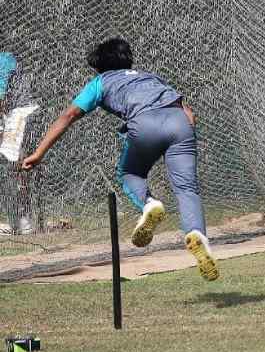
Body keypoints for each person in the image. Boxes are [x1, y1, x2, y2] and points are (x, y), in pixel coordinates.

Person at [20, 38, 218, 281]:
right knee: (187, 188)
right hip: (180, 122)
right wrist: (183, 141)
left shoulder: (100, 82)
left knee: (130, 174)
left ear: (99, 65)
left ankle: (149, 204)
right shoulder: (150, 77)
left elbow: (69, 115)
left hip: (144, 124)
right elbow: (189, 112)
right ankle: (197, 235)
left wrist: (39, 153)